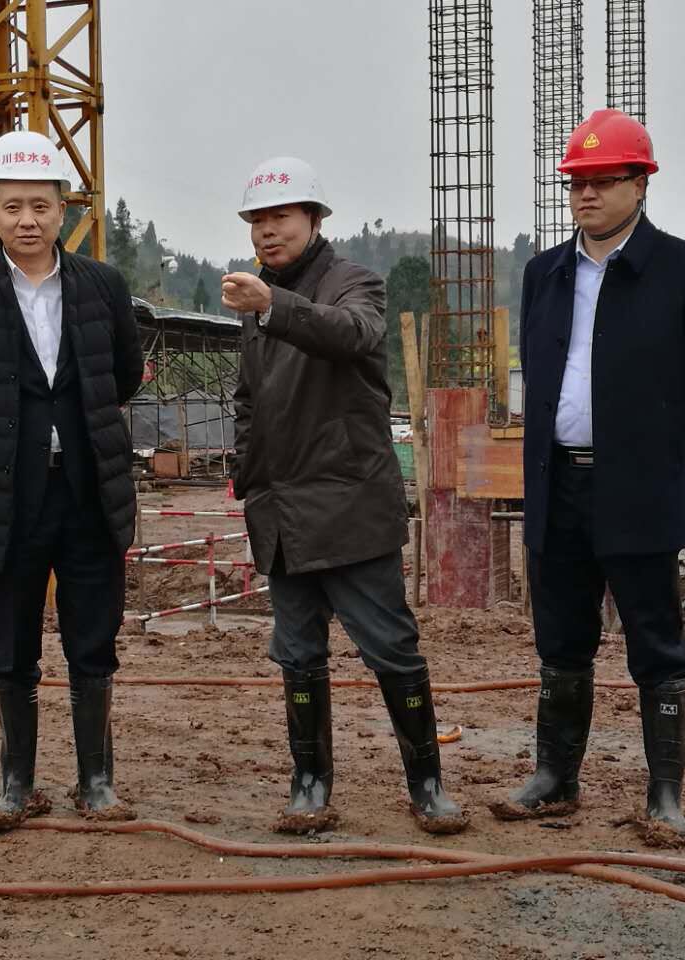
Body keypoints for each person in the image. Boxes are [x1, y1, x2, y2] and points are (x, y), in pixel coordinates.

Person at [491, 109, 685, 839]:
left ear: (641, 184)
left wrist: (665, 460)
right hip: (559, 486)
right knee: (561, 639)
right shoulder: (545, 274)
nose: (587, 194)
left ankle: (664, 794)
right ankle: (555, 779)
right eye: (577, 182)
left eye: (604, 181)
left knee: (655, 642)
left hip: (638, 491)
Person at [223, 156, 467, 835]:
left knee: (390, 647)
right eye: (257, 221)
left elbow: (352, 334)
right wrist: (248, 470)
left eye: (280, 217)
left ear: (313, 218)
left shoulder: (354, 283)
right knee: (297, 653)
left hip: (349, 507)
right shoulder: (256, 303)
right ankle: (310, 784)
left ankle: (427, 785)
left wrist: (272, 306)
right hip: (281, 512)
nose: (267, 231)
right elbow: (248, 400)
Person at [0, 129, 143, 831]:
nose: (27, 220)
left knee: (93, 636)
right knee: (12, 642)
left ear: (62, 210)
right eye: (12, 206)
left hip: (88, 490)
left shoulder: (102, 286)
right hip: (5, 496)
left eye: (40, 206)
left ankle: (96, 781)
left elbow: (124, 375)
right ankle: (16, 783)